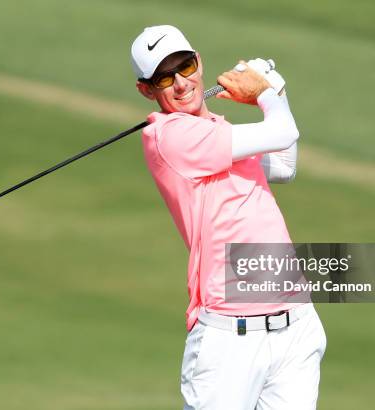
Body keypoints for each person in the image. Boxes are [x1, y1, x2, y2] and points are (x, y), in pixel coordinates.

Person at [130, 25, 326, 410]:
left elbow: (283, 164)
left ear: (199, 62)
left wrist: (274, 91)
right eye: (164, 78)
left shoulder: (218, 131)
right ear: (146, 90)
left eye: (185, 67)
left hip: (295, 325)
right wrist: (266, 91)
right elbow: (283, 131)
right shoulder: (170, 138)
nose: (181, 84)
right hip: (229, 339)